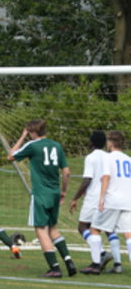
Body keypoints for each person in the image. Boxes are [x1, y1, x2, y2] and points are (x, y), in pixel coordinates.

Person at [8, 119, 76, 278]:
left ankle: (55, 268)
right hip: (54, 192)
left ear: (32, 132)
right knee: (53, 228)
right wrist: (63, 191)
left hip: (40, 193)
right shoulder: (57, 146)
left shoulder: (32, 145)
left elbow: (10, 156)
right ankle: (68, 261)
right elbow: (66, 172)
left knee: (41, 230)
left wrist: (22, 137)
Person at [81, 130, 131, 275]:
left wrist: (102, 198)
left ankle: (96, 264)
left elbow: (106, 178)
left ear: (110, 143)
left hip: (112, 200)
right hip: (127, 201)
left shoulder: (108, 158)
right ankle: (117, 264)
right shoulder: (128, 159)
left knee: (94, 229)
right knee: (128, 234)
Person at [69, 131, 118, 272]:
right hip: (107, 197)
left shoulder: (90, 158)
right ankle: (117, 263)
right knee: (107, 229)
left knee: (82, 227)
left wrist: (75, 198)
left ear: (91, 142)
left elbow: (87, 179)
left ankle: (101, 255)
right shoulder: (108, 156)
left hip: (93, 198)